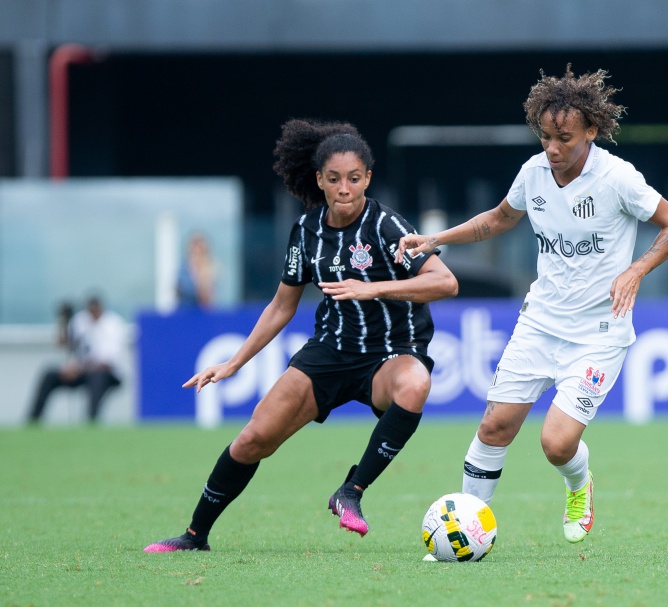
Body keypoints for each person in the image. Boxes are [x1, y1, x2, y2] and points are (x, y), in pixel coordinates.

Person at [396, 65, 668, 544]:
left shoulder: (618, 178)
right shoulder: (534, 173)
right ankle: (462, 531)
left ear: (592, 131)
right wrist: (435, 239)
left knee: (556, 444)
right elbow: (498, 219)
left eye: (564, 138)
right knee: (495, 426)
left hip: (598, 332)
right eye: (545, 136)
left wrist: (635, 270)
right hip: (539, 323)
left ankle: (580, 484)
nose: (552, 148)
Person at [144, 119, 458, 552]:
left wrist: (374, 288)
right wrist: (233, 363)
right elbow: (281, 306)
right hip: (329, 354)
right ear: (319, 181)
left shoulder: (387, 226)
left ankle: (351, 491)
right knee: (254, 438)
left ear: (368, 177)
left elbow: (445, 282)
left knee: (415, 384)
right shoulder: (307, 232)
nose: (344, 188)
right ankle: (195, 535)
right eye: (334, 179)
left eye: (353, 178)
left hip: (391, 352)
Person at [28, 295, 126, 423]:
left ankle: (91, 421)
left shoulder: (113, 324)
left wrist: (80, 368)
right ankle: (33, 420)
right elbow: (63, 344)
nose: (93, 313)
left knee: (97, 377)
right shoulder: (80, 320)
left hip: (106, 373)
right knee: (49, 375)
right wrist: (63, 322)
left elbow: (107, 362)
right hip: (80, 370)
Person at [176, 232, 217, 308]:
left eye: (200, 253)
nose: (197, 257)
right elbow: (181, 291)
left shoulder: (209, 270)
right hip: (186, 312)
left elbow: (208, 299)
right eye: (195, 253)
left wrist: (203, 276)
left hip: (202, 315)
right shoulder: (183, 270)